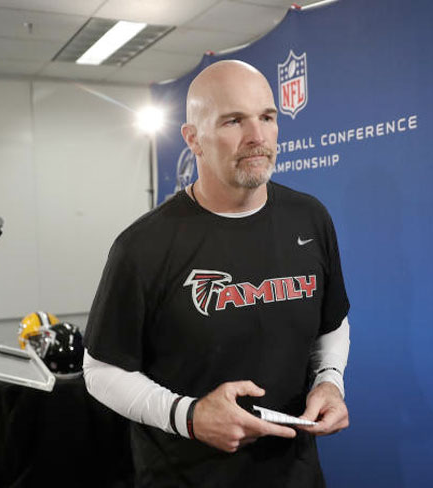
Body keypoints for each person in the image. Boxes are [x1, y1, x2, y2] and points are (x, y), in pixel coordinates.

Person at [83, 60, 351, 487]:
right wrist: (189, 417)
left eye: (267, 117)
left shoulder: (310, 219)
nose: (257, 137)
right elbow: (101, 371)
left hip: (295, 472)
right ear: (194, 139)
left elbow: (332, 323)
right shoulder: (143, 245)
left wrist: (330, 381)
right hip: (186, 475)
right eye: (233, 121)